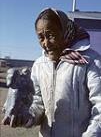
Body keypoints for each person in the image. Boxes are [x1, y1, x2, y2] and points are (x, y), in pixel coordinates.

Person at [2, 8, 101, 137]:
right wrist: (28, 117)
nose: (46, 43)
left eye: (51, 35)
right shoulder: (40, 65)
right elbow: (38, 101)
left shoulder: (90, 61)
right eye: (41, 37)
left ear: (65, 31)